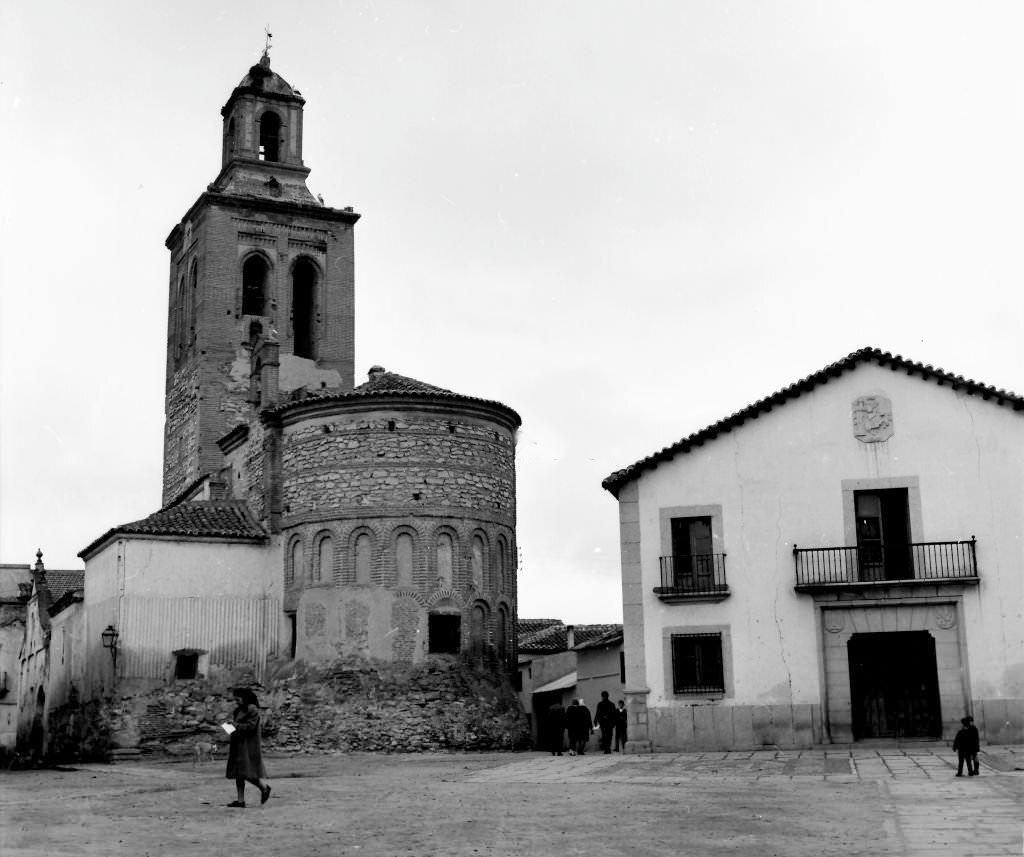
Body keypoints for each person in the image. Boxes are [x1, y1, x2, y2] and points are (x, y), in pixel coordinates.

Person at [225, 687, 271, 807]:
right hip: (238, 744)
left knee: (247, 772)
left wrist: (234, 725)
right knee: (238, 773)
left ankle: (264, 788)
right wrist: (228, 727)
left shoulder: (252, 709)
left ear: (245, 698)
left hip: (248, 746)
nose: (236, 702)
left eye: (238, 699)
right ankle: (240, 801)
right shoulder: (238, 710)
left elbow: (250, 727)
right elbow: (237, 727)